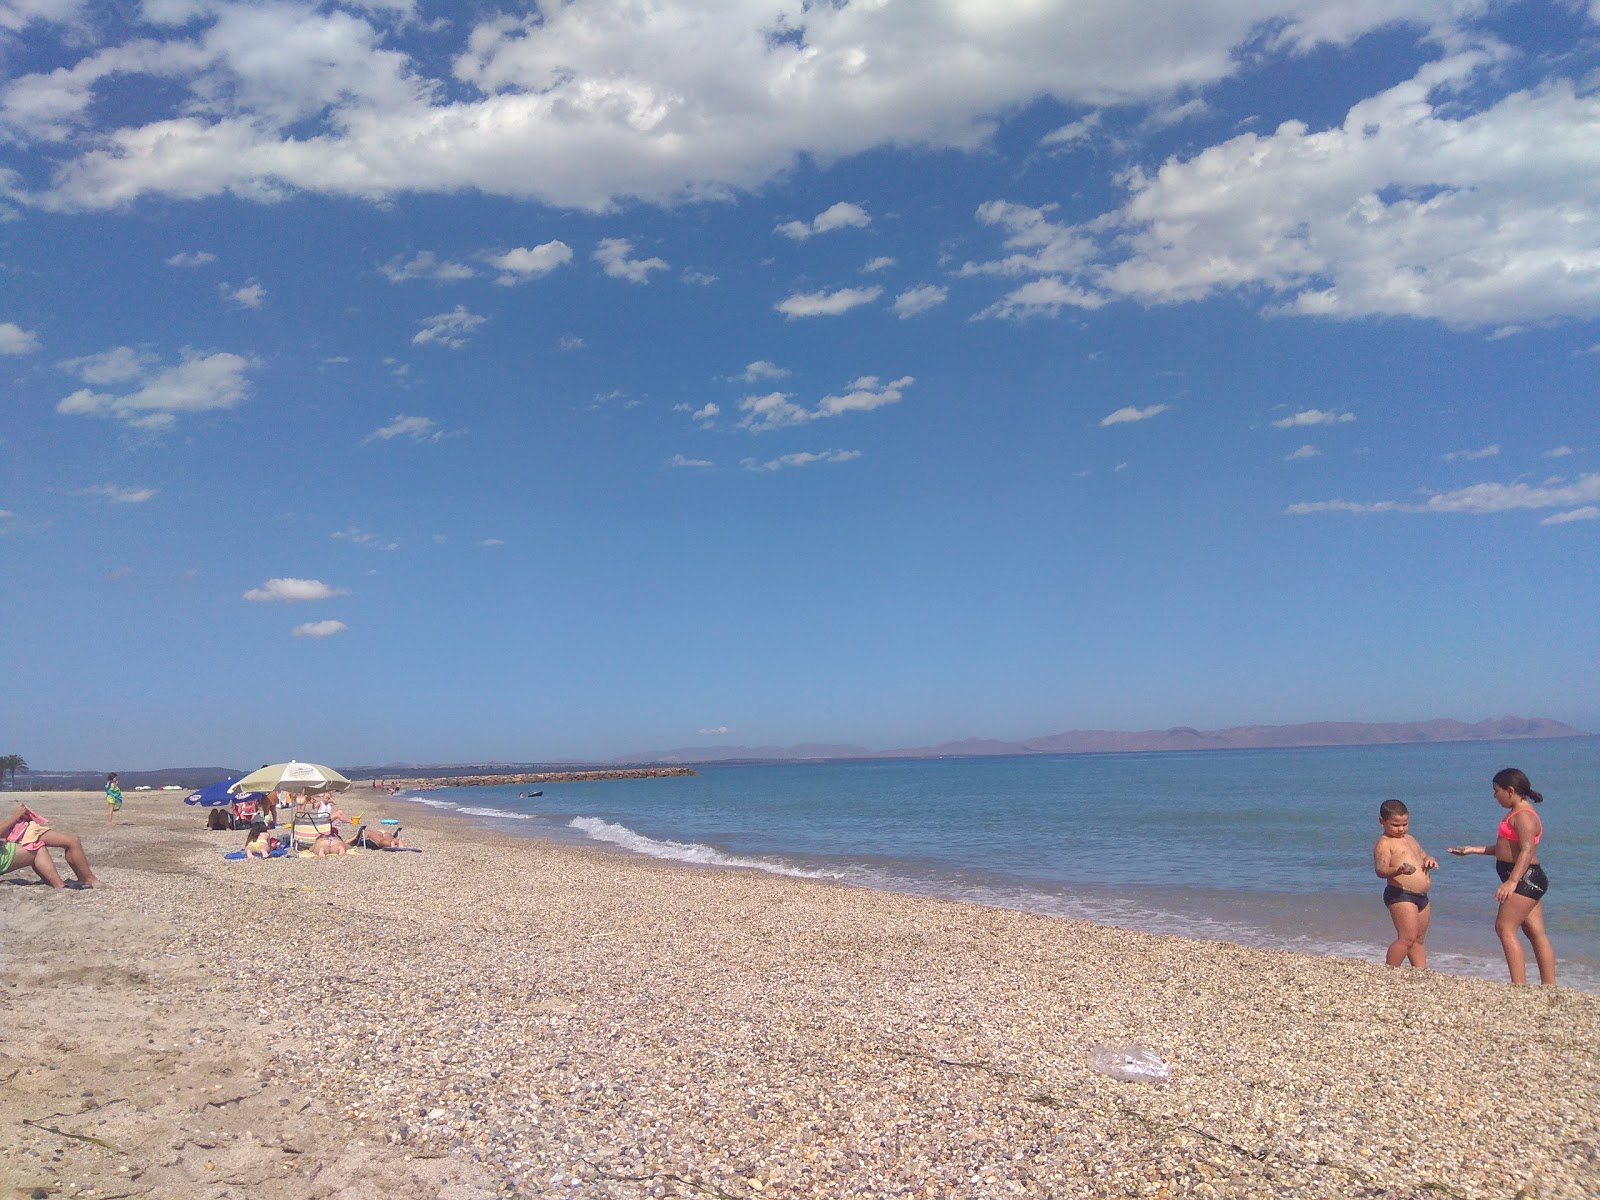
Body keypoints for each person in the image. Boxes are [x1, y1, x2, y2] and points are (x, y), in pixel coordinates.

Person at [1449, 767, 1556, 986]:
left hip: (1524, 879)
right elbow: (1506, 848)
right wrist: (1472, 850)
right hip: (1527, 878)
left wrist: (1512, 881)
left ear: (1510, 790)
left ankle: (1519, 986)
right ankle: (1549, 986)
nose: (1494, 796)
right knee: (1535, 932)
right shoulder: (1516, 812)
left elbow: (1527, 851)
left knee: (1504, 928)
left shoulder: (1524, 816)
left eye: (1496, 791)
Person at [1373, 799, 1436, 969]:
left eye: (1405, 824)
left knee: (1418, 939)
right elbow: (1380, 870)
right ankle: (1391, 970)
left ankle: (1421, 972)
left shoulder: (1410, 838)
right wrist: (1398, 870)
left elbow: (1422, 855)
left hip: (1422, 896)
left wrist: (1429, 859)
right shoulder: (1384, 843)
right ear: (1382, 822)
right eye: (1395, 825)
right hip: (1401, 894)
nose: (1401, 829)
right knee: (1407, 937)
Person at [1, 802, 103, 888]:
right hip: (16, 833)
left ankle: (80, 880)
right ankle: (83, 880)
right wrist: (16, 816)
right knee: (69, 842)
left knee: (72, 841)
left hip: (14, 832)